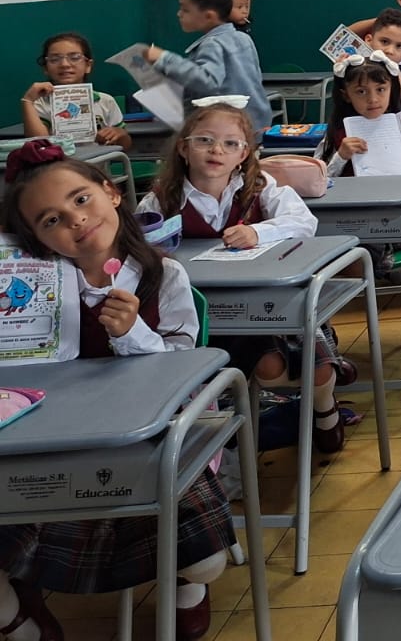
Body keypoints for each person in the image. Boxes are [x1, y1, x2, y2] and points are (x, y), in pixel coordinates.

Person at [0, 141, 234, 640]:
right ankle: (16, 616)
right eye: (50, 220)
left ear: (111, 193)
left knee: (205, 557)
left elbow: (186, 367)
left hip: (151, 439)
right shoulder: (28, 293)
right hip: (56, 443)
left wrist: (132, 335)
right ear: (37, 241)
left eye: (81, 200)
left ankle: (188, 584)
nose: (75, 221)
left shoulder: (162, 275)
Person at [139, 102, 346, 454]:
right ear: (183, 147)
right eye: (204, 140)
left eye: (230, 143)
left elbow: (303, 221)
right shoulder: (161, 198)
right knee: (268, 367)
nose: (217, 150)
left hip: (264, 298)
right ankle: (248, 428)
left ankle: (325, 404)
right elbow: (136, 241)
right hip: (201, 308)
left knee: (308, 370)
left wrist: (259, 233)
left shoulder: (258, 185)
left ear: (244, 153)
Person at [143, 0, 271, 131]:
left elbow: (207, 82)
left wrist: (164, 58)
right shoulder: (243, 38)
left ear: (209, 16)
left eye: (185, 9)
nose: (179, 14)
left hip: (226, 126)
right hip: (254, 120)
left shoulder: (212, 44)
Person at [20, 32, 131, 149]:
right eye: (54, 59)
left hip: (95, 165)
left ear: (88, 65)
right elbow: (39, 146)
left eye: (74, 58)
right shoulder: (40, 103)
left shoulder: (105, 101)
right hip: (57, 166)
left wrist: (120, 134)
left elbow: (126, 146)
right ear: (45, 68)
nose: (64, 64)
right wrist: (27, 101)